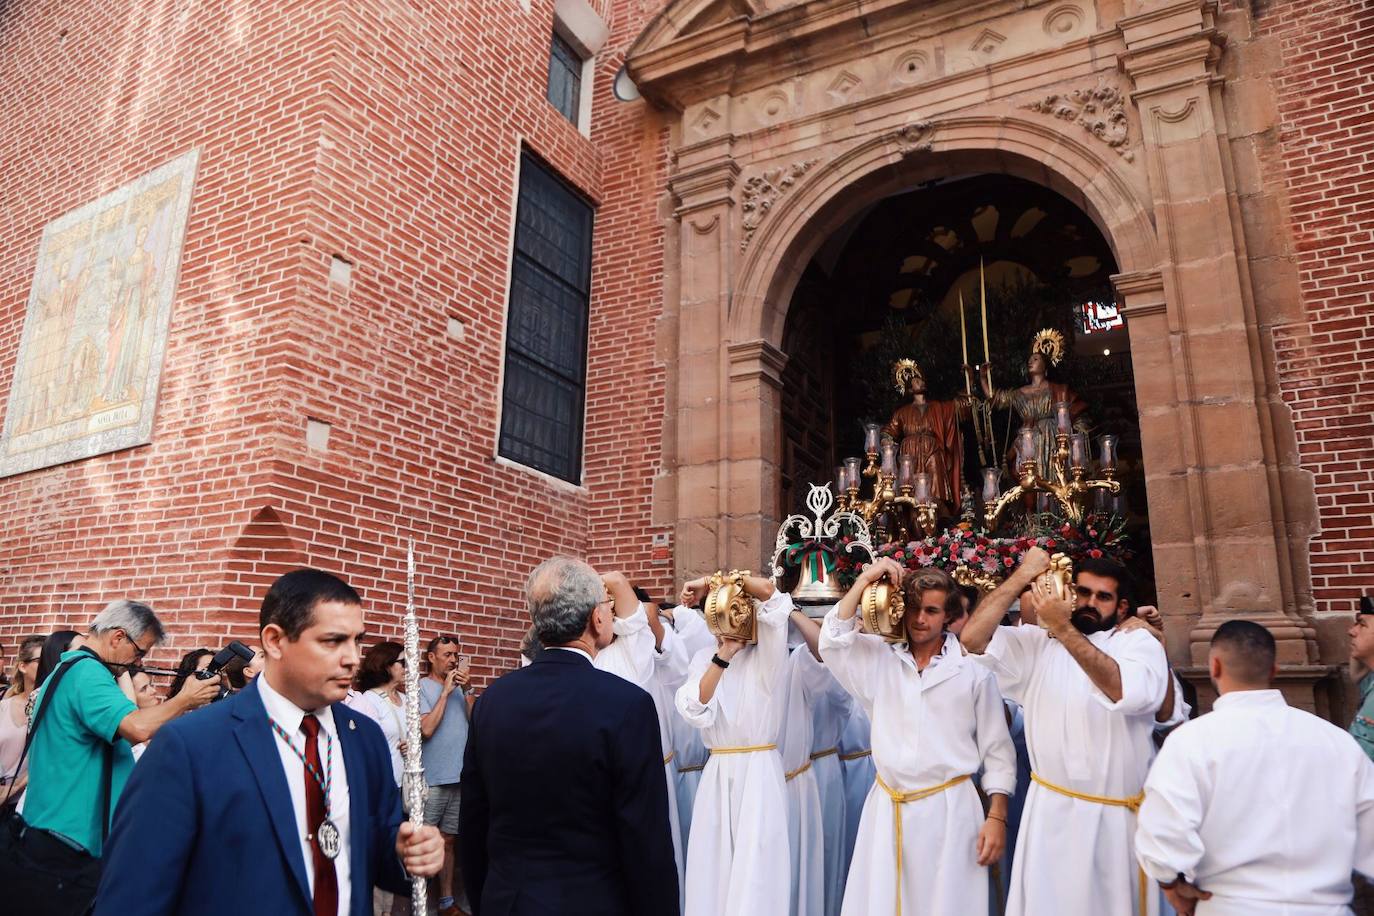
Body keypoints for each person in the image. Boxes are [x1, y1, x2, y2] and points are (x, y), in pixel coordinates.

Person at [94, 568, 444, 915]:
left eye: (358, 641)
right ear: (275, 641)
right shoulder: (191, 746)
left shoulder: (363, 737)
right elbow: (134, 897)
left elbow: (376, 845)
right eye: (333, 641)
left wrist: (404, 851)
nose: (353, 658)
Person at [459, 556, 678, 915]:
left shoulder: (492, 700)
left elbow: (474, 821)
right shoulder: (627, 704)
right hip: (593, 901)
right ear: (596, 618)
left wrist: (487, 900)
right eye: (606, 607)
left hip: (508, 901)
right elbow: (644, 836)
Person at [961, 550, 1171, 916]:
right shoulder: (1037, 646)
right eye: (1083, 592)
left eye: (1102, 597)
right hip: (1049, 817)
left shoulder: (1138, 644)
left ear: (1122, 608)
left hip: (1115, 823)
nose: (1090, 603)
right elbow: (972, 639)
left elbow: (1123, 690)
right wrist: (1022, 574)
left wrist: (1062, 627)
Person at [1136, 620, 1374, 915]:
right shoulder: (1336, 742)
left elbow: (1163, 830)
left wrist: (1171, 884)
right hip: (1325, 907)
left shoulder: (1191, 742)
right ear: (1273, 670)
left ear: (1215, 667)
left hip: (1231, 905)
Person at [822, 560, 1015, 916]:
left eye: (931, 610)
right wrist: (865, 579)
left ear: (949, 615)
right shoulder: (879, 661)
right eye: (913, 608)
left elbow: (998, 753)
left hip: (951, 811)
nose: (920, 619)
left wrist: (997, 819)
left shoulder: (973, 674)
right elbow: (832, 641)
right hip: (888, 808)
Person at [10, 601, 220, 914]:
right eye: (140, 651)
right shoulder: (88, 672)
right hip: (70, 843)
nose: (139, 661)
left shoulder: (68, 669)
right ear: (118, 637)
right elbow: (137, 726)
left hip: (54, 835)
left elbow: (135, 721)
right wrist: (185, 699)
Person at [675, 571, 792, 916]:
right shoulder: (704, 660)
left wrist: (715, 579)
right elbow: (694, 707)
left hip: (759, 774)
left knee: (757, 871)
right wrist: (723, 655)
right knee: (713, 872)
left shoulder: (768, 655)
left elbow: (772, 596)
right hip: (718, 774)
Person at [593, 577, 689, 906]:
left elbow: (624, 591)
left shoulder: (633, 644)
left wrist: (592, 584)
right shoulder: (587, 652)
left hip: (645, 771)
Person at [419, 633, 472, 916]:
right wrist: (445, 693)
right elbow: (426, 730)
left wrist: (468, 690)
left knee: (449, 840)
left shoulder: (461, 689)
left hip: (458, 777)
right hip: (433, 779)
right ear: (431, 658)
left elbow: (476, 723)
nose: (453, 660)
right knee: (424, 842)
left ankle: (446, 903)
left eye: (456, 655)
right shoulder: (420, 688)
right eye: (447, 655)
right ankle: (415, 902)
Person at [347, 641, 406, 785]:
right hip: (383, 782)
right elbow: (366, 745)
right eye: (403, 662)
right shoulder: (369, 699)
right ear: (386, 665)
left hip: (407, 783)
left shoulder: (406, 699)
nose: (408, 668)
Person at [0, 636, 44, 806]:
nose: (47, 665)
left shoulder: (51, 711)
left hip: (25, 804)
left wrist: (14, 788)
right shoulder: (3, 706)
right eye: (40, 660)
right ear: (23, 666)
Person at [1348, 597, 1374, 762]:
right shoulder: (1369, 680)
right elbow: (1356, 676)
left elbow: (1359, 763)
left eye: (1362, 624)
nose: (1351, 631)